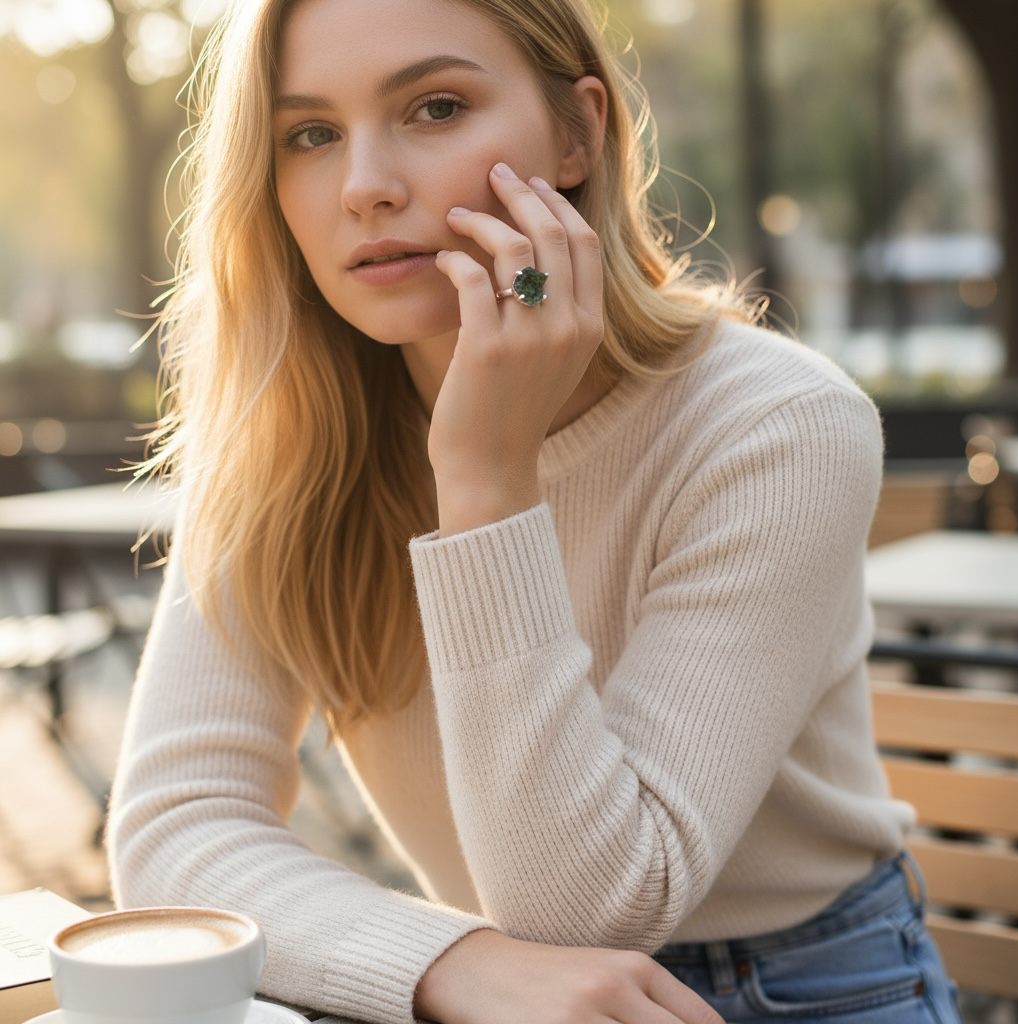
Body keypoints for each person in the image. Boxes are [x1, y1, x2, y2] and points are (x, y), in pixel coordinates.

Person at [106, 0, 963, 1022]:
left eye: (434, 107)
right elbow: (176, 828)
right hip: (499, 993)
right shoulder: (282, 436)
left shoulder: (777, 424)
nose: (367, 187)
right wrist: (446, 963)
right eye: (310, 135)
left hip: (807, 990)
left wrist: (483, 476)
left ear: (575, 132)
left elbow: (595, 909)